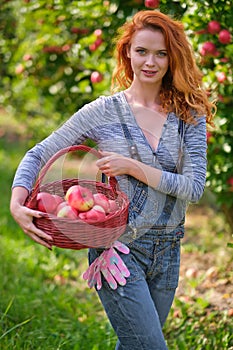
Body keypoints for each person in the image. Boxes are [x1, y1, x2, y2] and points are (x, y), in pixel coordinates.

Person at [10, 10, 215, 350]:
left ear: (173, 57)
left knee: (134, 345)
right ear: (127, 53)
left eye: (161, 53)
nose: (150, 62)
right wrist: (17, 202)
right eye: (142, 51)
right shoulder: (103, 112)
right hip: (117, 251)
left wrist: (135, 168)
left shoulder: (188, 114)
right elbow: (39, 154)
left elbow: (194, 187)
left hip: (168, 252)